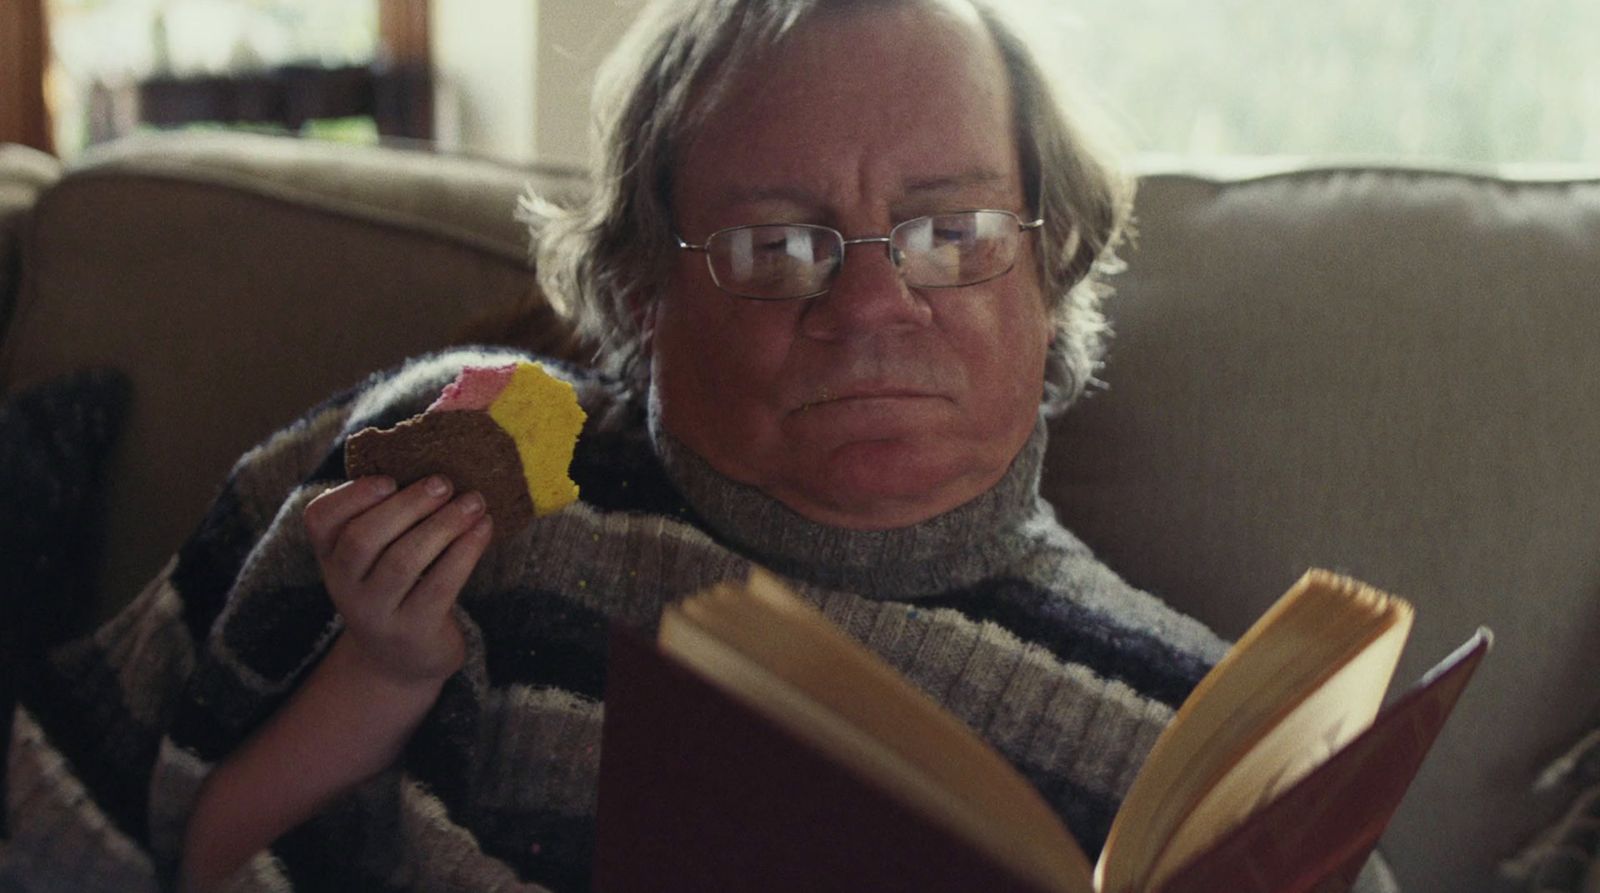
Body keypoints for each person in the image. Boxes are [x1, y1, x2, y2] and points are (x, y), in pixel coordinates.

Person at [4, 0, 1391, 890]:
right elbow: (98, 822)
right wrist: (383, 674)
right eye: (776, 245)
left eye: (950, 232)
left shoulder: (1201, 728)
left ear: (1052, 261)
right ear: (642, 291)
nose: (868, 306)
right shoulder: (444, 471)